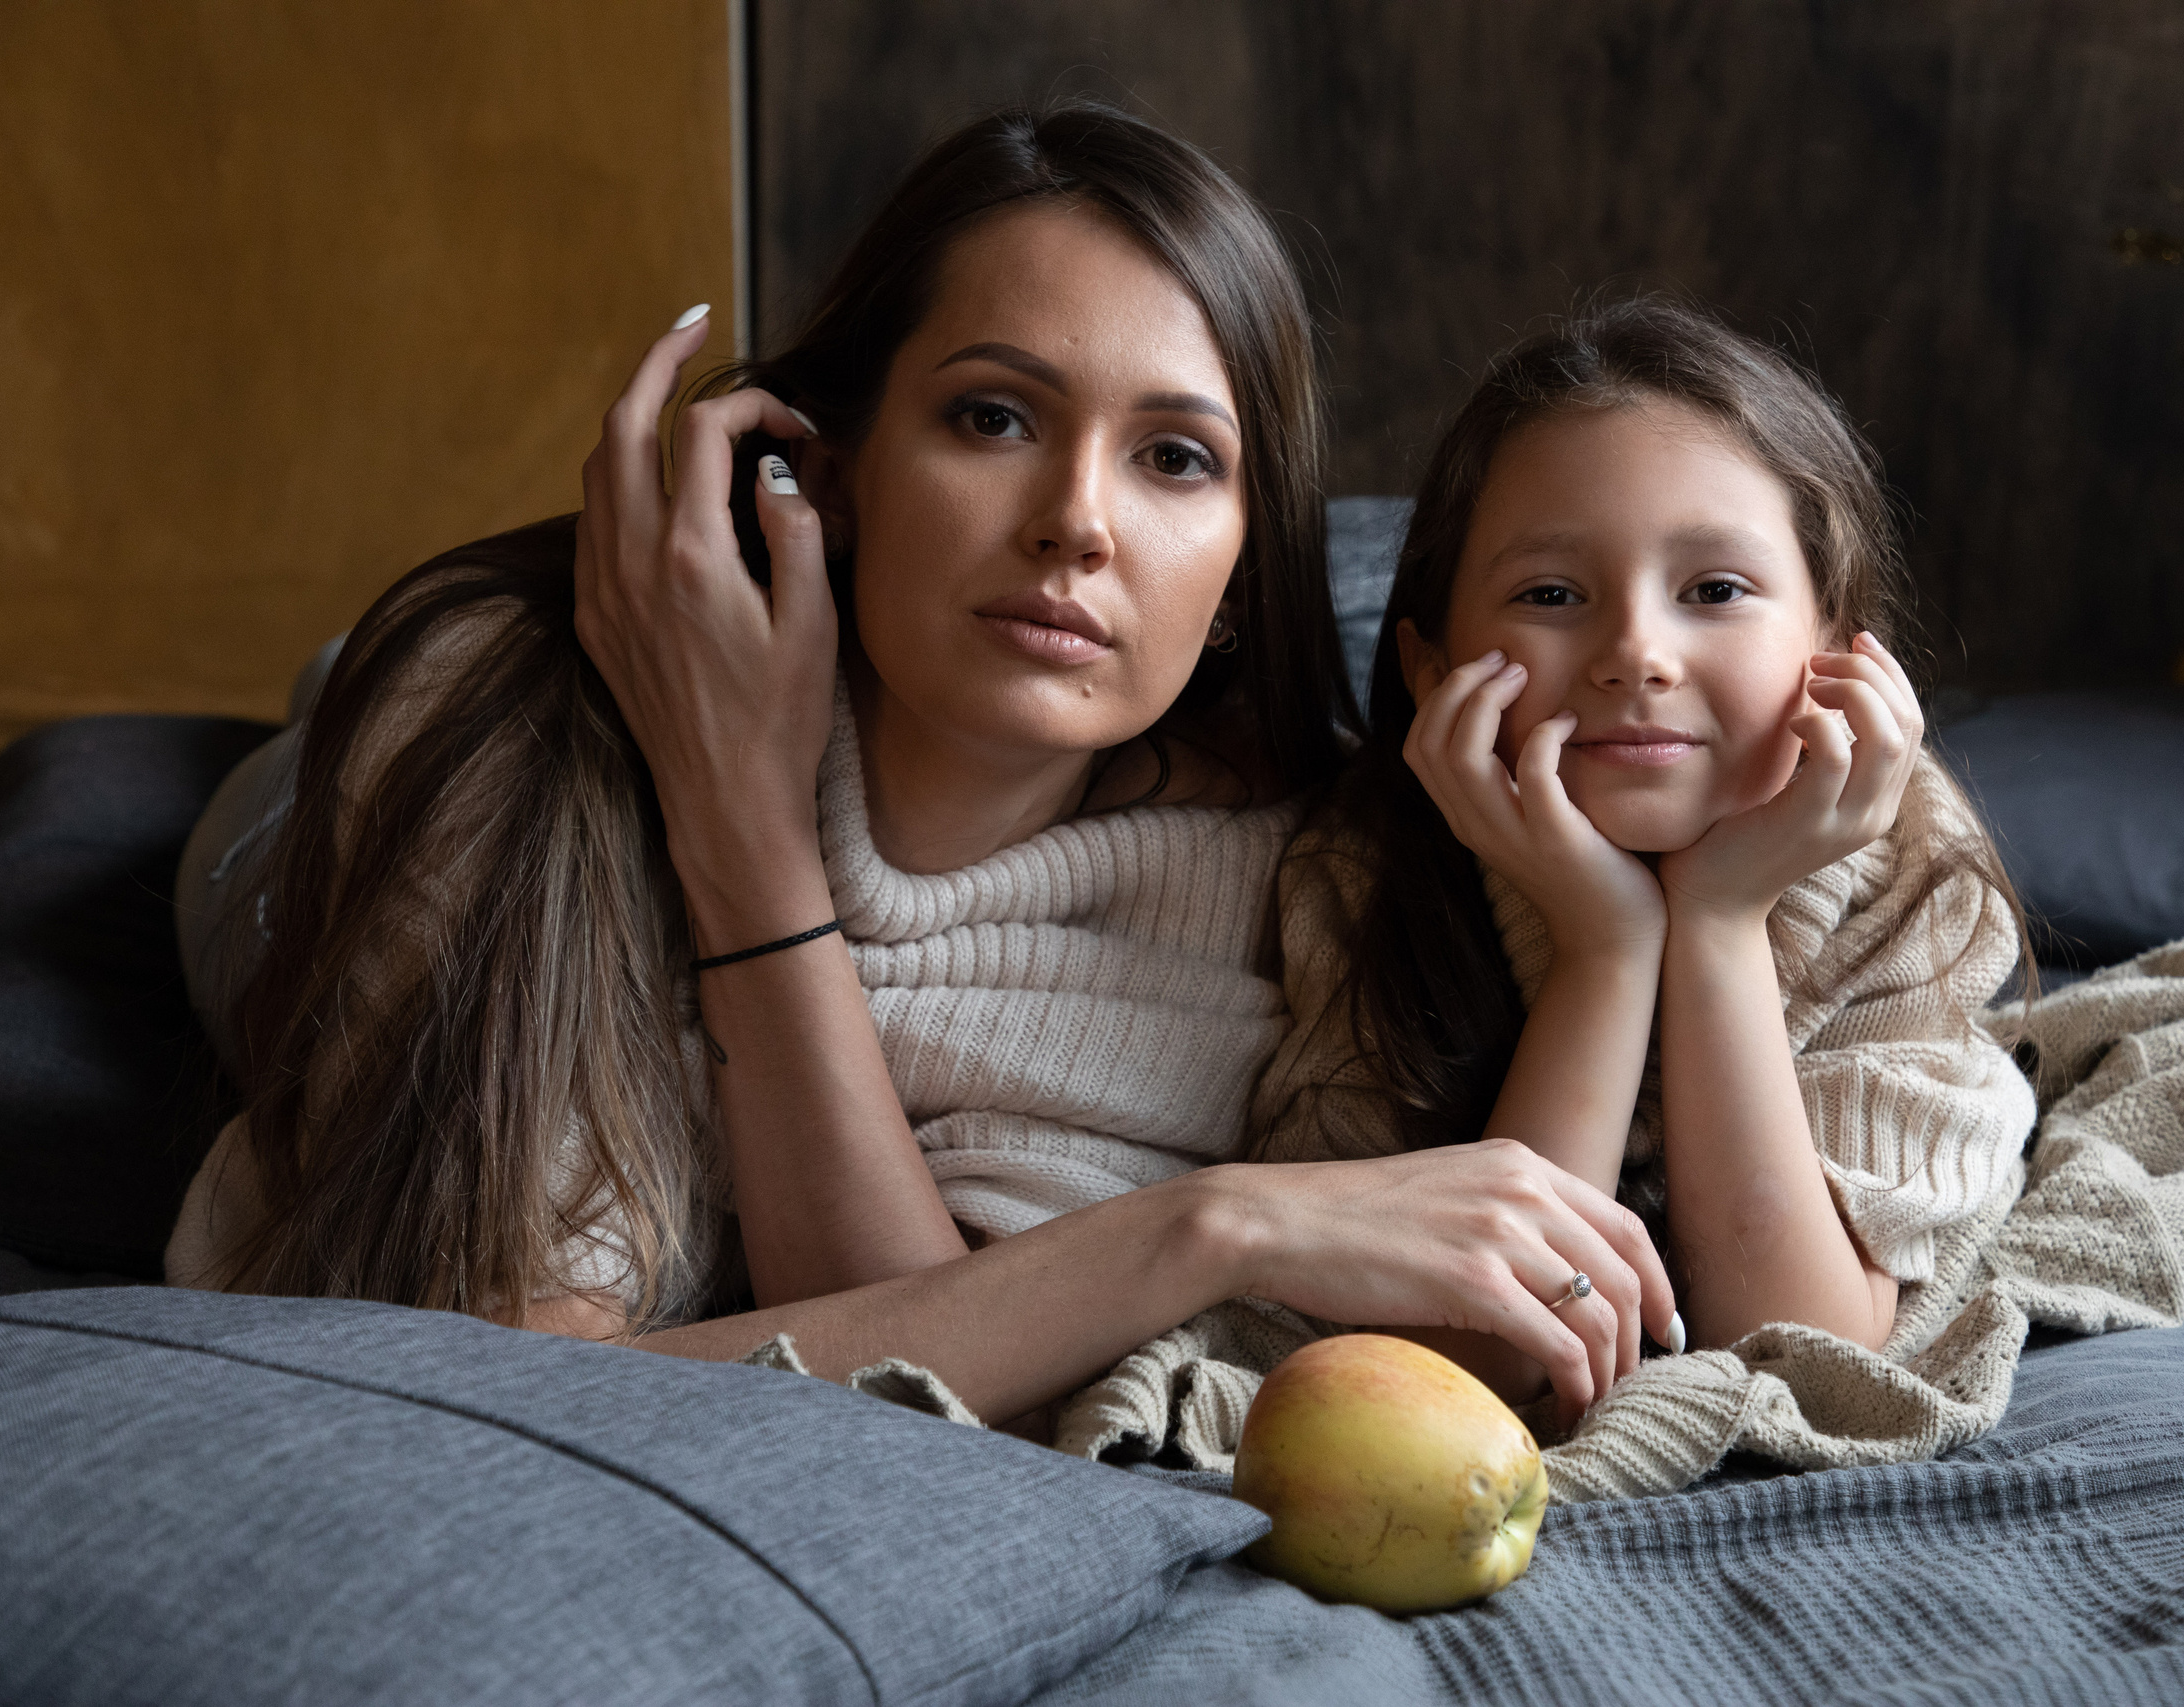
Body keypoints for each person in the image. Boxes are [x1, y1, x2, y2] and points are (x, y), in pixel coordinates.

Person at [165, 103, 1675, 1431]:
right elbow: (505, 1393)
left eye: (1176, 458)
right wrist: (740, 822)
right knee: (315, 732)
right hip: (350, 801)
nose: (1077, 519)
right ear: (829, 466)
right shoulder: (514, 721)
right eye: (993, 415)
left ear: (1239, 561)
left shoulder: (1292, 883)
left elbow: (936, 1409)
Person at [1250, 295, 2038, 1402]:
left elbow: (1807, 1349)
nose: (1635, 654)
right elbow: (1460, 1371)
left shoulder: (1907, 864)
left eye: (1714, 591)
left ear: (1833, 648)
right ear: (1432, 669)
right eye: (1552, 593)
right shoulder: (1359, 875)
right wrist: (1603, 949)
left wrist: (1717, 922)